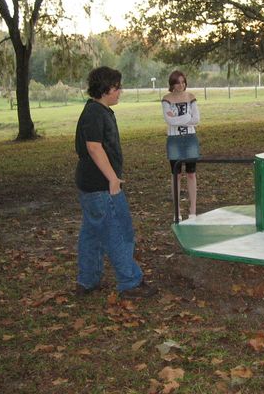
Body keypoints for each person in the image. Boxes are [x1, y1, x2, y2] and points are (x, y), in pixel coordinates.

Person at [74, 66, 155, 298]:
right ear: (106, 89)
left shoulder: (99, 110)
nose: (120, 91)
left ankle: (87, 280)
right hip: (101, 186)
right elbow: (93, 147)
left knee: (92, 233)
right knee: (119, 231)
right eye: (117, 87)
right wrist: (112, 179)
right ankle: (130, 282)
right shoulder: (95, 113)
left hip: (92, 185)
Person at [162, 70, 200, 221]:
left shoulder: (191, 97)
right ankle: (176, 211)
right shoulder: (166, 99)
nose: (181, 85)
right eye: (177, 82)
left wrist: (178, 118)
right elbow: (169, 121)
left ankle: (193, 210)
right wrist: (187, 117)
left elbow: (196, 119)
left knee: (191, 174)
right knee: (176, 175)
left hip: (190, 138)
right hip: (174, 140)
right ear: (172, 84)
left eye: (183, 82)